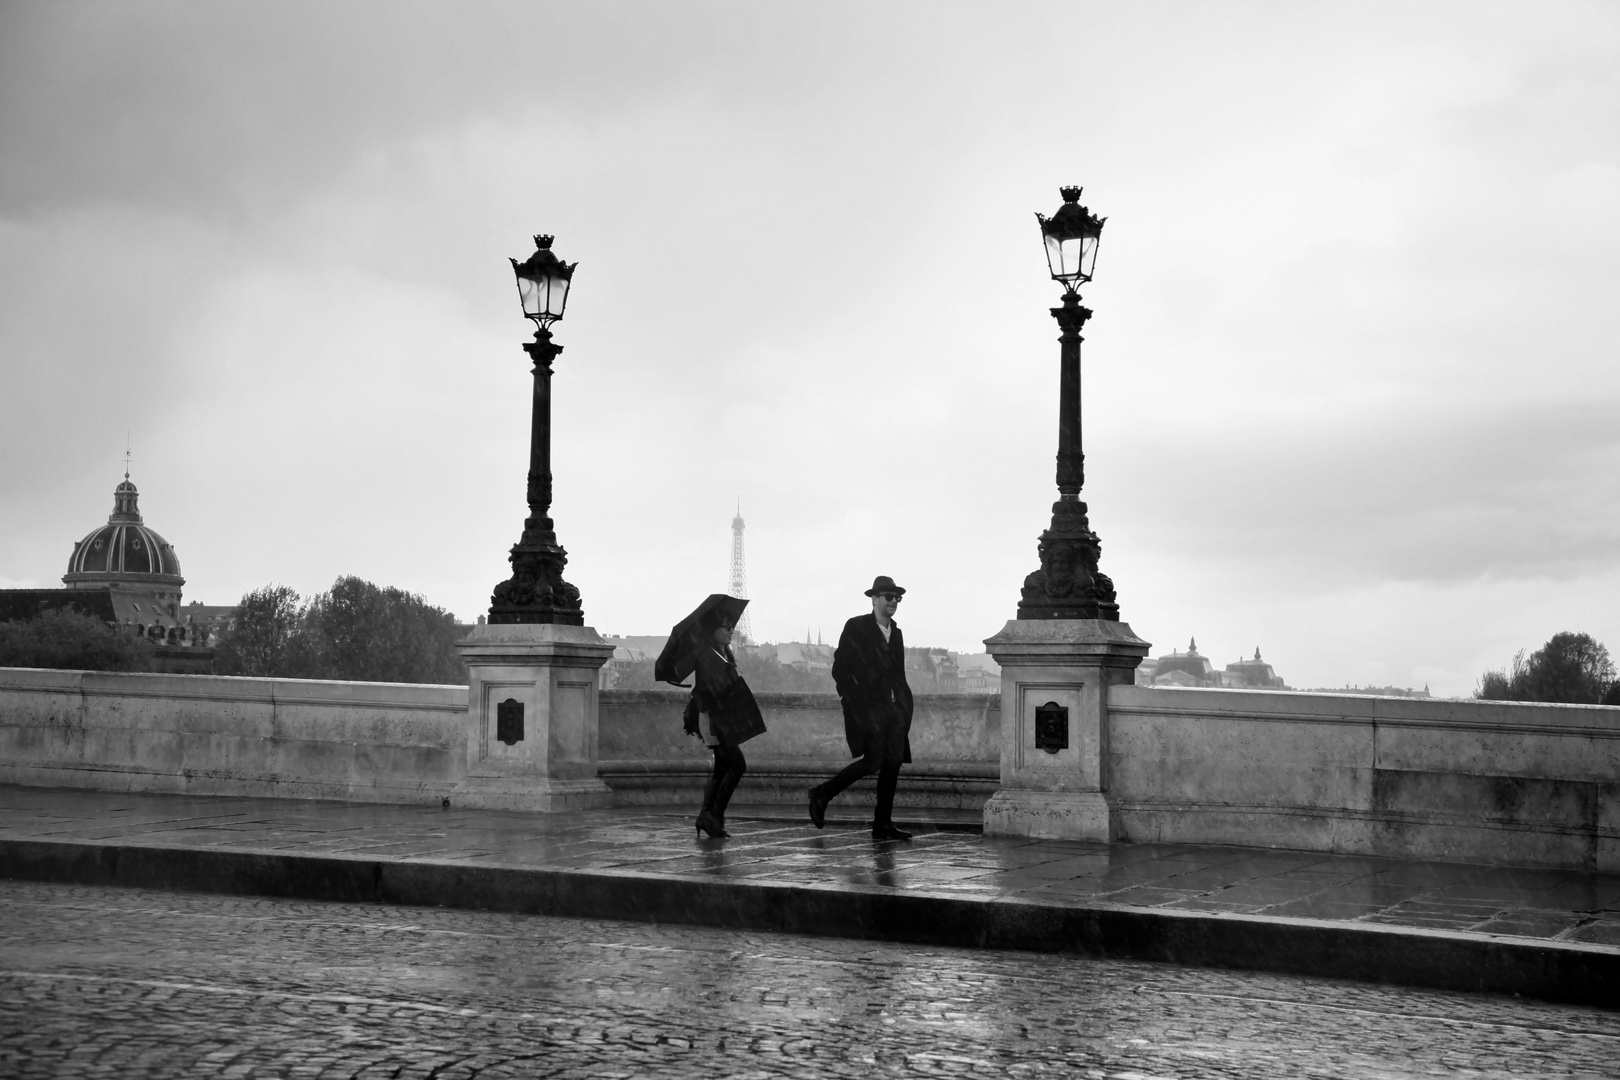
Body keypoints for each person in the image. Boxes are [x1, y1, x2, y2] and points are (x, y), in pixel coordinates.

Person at [807, 575, 915, 841]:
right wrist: (854, 699)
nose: (893, 602)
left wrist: (902, 704)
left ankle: (883, 824)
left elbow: (898, 675)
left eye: (897, 598)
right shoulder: (857, 627)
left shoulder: (897, 633)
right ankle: (823, 792)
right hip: (869, 709)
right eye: (888, 597)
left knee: (893, 763)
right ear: (874, 599)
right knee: (873, 761)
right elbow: (840, 668)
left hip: (894, 710)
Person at [687, 615, 765, 838]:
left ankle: (707, 816)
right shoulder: (708, 656)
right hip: (715, 720)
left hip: (720, 718)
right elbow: (713, 689)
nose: (731, 631)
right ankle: (714, 815)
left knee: (722, 769)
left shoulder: (721, 654)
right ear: (714, 630)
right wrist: (734, 683)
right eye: (726, 627)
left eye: (732, 627)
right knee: (738, 765)